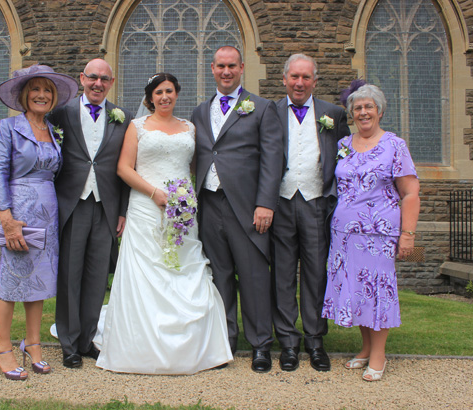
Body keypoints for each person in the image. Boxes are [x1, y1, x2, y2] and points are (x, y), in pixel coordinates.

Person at [95, 73, 233, 375]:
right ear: (150, 97)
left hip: (182, 211)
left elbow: (195, 167)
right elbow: (123, 168)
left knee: (184, 269)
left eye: (170, 91)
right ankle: (140, 345)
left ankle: (197, 347)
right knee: (147, 273)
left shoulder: (190, 128)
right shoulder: (137, 127)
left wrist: (184, 199)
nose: (164, 97)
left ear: (177, 93)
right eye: (159, 92)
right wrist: (154, 192)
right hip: (146, 207)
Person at [191, 46, 284, 372]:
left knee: (255, 275)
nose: (226, 71)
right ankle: (225, 342)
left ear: (242, 67)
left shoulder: (261, 108)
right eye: (221, 66)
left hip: (246, 207)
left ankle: (260, 345)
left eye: (232, 66)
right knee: (220, 277)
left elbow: (273, 160)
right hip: (210, 203)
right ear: (213, 69)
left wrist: (264, 204)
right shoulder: (200, 111)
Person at [321, 81, 420, 381]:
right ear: (351, 113)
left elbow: (411, 192)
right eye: (358, 108)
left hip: (378, 233)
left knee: (378, 290)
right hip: (344, 234)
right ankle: (365, 348)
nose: (363, 112)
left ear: (379, 111)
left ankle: (379, 355)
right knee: (357, 291)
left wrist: (408, 235)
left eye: (369, 107)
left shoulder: (394, 145)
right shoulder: (344, 145)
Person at [0, 64, 78, 380]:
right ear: (25, 95)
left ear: (53, 97)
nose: (41, 94)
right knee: (11, 280)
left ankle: (33, 343)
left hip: (48, 213)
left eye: (48, 90)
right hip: (20, 212)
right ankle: (3, 348)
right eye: (36, 89)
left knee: (39, 281)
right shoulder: (8, 127)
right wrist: (7, 220)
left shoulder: (54, 132)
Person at [49, 59, 132, 369]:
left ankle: (86, 341)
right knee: (70, 276)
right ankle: (68, 343)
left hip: (106, 206)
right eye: (93, 77)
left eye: (104, 79)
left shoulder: (123, 118)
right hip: (72, 203)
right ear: (82, 78)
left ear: (111, 82)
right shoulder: (62, 113)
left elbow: (126, 168)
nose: (98, 83)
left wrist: (122, 210)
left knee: (98, 278)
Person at [271, 54, 350, 372]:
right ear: (285, 79)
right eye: (294, 77)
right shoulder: (270, 112)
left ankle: (315, 341)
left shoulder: (333, 114)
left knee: (317, 275)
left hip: (318, 203)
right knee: (283, 275)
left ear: (315, 81)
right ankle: (288, 342)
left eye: (306, 77)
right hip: (280, 202)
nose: (299, 83)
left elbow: (345, 158)